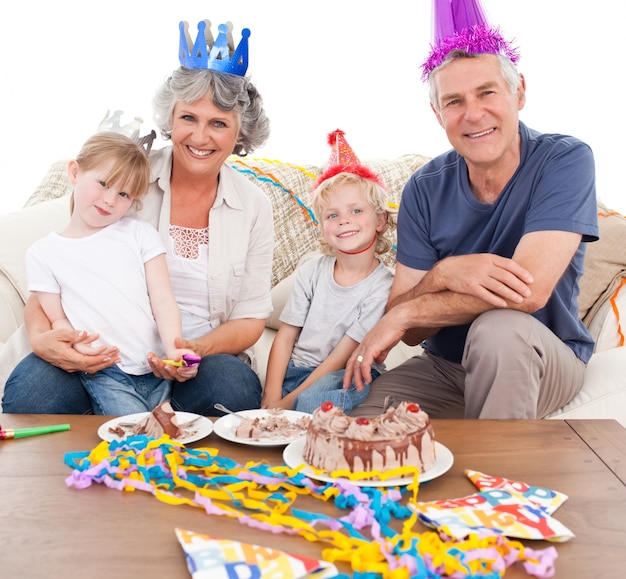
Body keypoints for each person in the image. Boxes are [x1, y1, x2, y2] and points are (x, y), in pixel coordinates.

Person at [2, 18, 273, 416]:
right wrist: (44, 338)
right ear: (170, 119)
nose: (200, 138)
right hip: (100, 353)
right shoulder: (127, 178)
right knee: (34, 396)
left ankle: (148, 422)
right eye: (188, 118)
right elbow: (58, 266)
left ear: (240, 133)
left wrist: (191, 350)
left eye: (218, 123)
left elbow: (250, 319)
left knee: (230, 390)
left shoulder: (253, 206)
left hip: (193, 359)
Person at [345, 0, 599, 420]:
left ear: (519, 92)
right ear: (437, 113)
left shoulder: (565, 160)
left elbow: (525, 295)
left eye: (486, 92)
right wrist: (444, 274)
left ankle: (500, 483)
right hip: (445, 367)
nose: (473, 113)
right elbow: (412, 334)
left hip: (538, 356)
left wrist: (410, 309)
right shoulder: (423, 189)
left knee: (498, 330)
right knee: (356, 427)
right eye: (455, 101)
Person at [25, 132, 198, 415]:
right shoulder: (43, 253)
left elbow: (163, 299)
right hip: (107, 372)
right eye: (103, 184)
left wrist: (173, 348)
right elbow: (58, 319)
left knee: (168, 436)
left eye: (123, 194)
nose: (109, 200)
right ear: (74, 171)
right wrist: (79, 347)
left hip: (156, 367)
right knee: (135, 441)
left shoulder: (140, 234)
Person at [261, 130, 395, 413]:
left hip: (344, 371)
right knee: (257, 399)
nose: (344, 221)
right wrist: (271, 397)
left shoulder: (383, 286)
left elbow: (343, 353)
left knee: (311, 401)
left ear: (380, 219)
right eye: (333, 215)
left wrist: (289, 402)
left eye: (356, 211)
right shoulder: (311, 272)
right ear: (323, 226)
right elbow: (285, 337)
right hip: (297, 370)